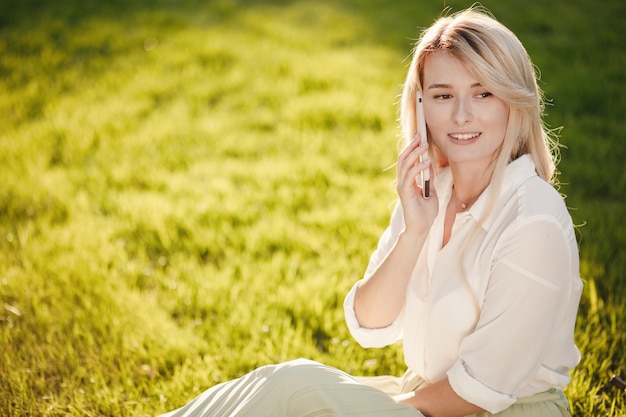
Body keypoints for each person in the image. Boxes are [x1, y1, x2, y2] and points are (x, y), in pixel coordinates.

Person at [157, 7, 582, 417]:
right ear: (420, 107)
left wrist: (369, 410)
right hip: (426, 396)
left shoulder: (532, 222)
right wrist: (414, 231)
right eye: (442, 95)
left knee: (297, 391)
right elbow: (369, 323)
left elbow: (480, 389)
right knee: (276, 386)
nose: (461, 115)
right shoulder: (433, 191)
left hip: (499, 410)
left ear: (515, 101)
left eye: (483, 93)